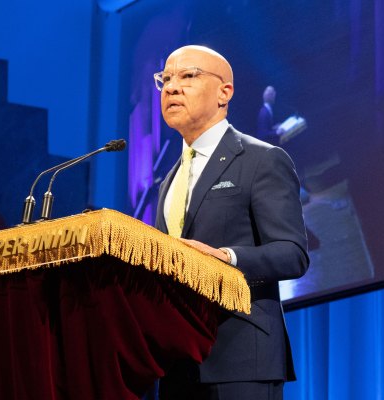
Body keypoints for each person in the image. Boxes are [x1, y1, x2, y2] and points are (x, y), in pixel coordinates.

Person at [153, 45, 309, 399]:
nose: (172, 87)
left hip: (241, 359)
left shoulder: (262, 159)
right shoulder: (169, 180)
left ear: (225, 92)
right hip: (177, 362)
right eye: (165, 79)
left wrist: (226, 258)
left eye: (188, 76)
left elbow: (292, 254)